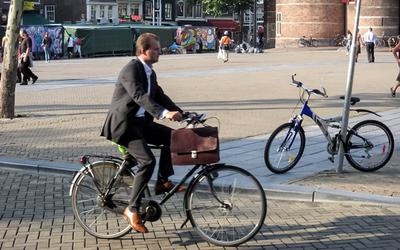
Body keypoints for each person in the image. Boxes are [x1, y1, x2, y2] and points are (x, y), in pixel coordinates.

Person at [101, 33, 185, 233]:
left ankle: (163, 182)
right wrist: (164, 114)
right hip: (125, 126)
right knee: (147, 162)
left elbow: (160, 96)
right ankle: (131, 209)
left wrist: (182, 113)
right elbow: (138, 96)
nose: (159, 52)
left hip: (141, 123)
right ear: (143, 51)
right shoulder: (131, 69)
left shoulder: (150, 72)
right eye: (155, 49)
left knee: (172, 138)